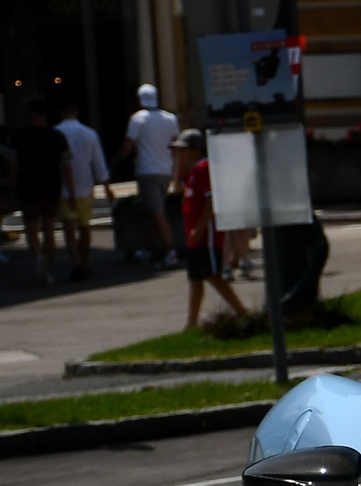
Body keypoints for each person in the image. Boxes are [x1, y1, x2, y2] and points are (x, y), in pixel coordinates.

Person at [173, 129, 251, 328]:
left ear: (196, 149)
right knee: (195, 278)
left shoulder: (203, 168)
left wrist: (199, 229)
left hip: (205, 234)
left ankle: (241, 310)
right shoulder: (191, 173)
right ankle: (191, 322)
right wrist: (178, 166)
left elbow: (211, 201)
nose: (180, 154)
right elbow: (177, 189)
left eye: (183, 150)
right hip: (194, 234)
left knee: (211, 274)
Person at [119, 82, 181, 265]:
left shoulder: (138, 119)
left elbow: (128, 145)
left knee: (157, 212)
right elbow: (176, 144)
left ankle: (171, 251)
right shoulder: (170, 118)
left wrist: (117, 160)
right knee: (156, 210)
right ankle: (147, 248)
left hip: (147, 170)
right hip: (165, 169)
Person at [53, 94, 110, 281]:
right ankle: (85, 262)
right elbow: (98, 161)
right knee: (85, 227)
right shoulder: (89, 133)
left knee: (68, 227)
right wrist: (106, 184)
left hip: (63, 187)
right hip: (85, 185)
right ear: (76, 111)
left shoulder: (56, 133)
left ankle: (76, 262)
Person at [11, 101, 67, 285]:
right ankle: (47, 264)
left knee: (31, 227)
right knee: (49, 227)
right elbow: (65, 163)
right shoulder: (56, 136)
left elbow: (13, 163)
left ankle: (38, 256)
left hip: (29, 185)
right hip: (51, 184)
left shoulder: (19, 136)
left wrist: (13, 184)